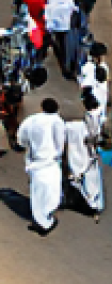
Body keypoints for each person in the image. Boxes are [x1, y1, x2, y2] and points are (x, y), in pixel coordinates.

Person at [17, 98, 66, 234]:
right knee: (51, 192)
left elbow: (21, 140)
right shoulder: (58, 122)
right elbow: (60, 145)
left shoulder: (31, 120)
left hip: (35, 163)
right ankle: (46, 220)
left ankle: (40, 221)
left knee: (37, 194)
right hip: (51, 163)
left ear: (41, 107)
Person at [65, 94, 105, 220]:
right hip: (90, 152)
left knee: (83, 177)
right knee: (91, 179)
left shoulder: (90, 117)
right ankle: (94, 205)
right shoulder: (98, 115)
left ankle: (89, 203)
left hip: (85, 151)